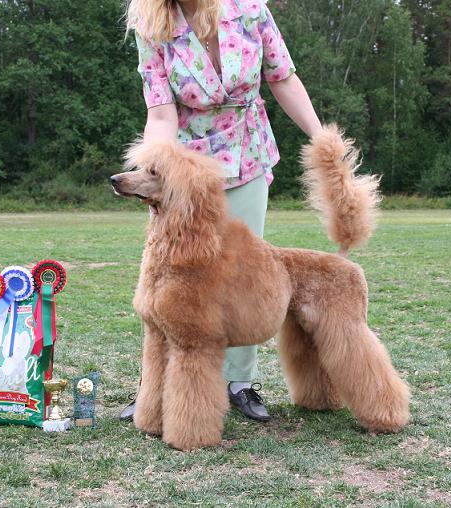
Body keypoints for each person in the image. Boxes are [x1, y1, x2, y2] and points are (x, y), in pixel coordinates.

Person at [120, 0, 323, 422]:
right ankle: (156, 389)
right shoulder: (151, 25)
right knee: (169, 278)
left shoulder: (251, 10)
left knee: (246, 274)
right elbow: (160, 113)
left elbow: (283, 78)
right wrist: (157, 169)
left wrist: (320, 136)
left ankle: (239, 383)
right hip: (185, 172)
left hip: (247, 153)